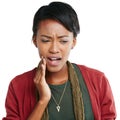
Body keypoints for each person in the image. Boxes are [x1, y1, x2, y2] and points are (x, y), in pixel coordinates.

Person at [3, 1, 116, 120]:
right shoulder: (18, 86)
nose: (54, 49)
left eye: (63, 41)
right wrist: (43, 100)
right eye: (46, 40)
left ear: (73, 42)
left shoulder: (98, 81)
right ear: (35, 40)